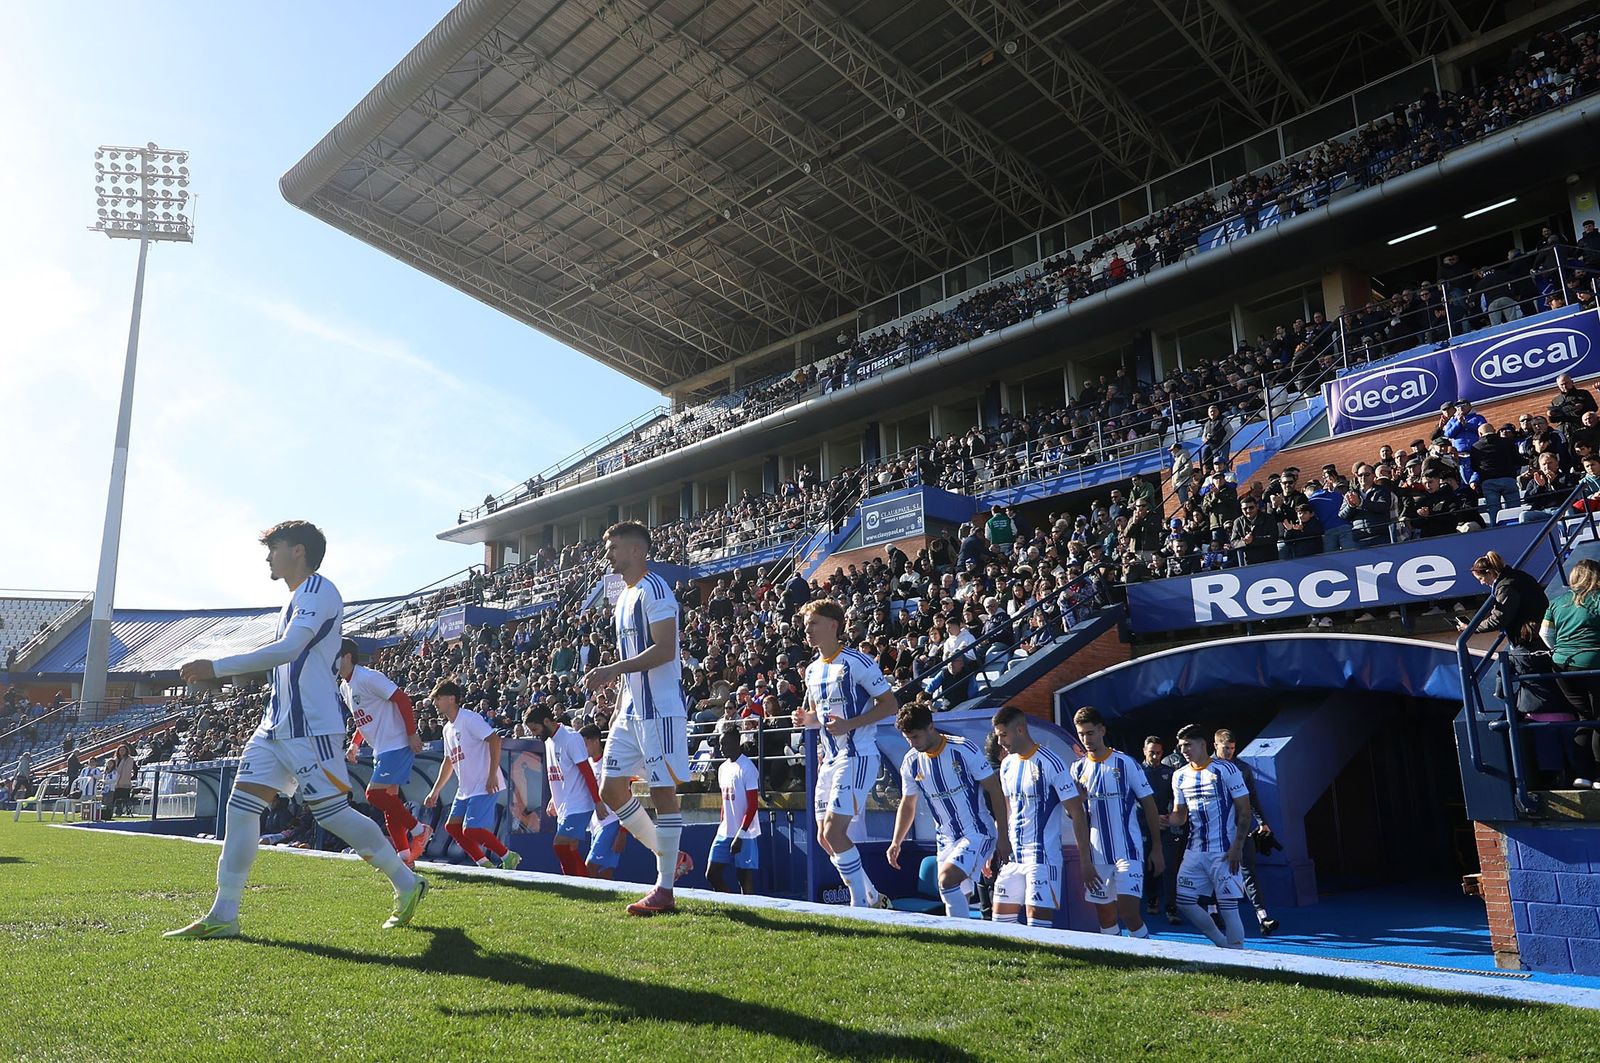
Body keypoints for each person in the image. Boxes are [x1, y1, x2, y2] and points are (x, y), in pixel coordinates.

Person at [168, 520, 426, 939]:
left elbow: (289, 650)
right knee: (240, 809)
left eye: (275, 548)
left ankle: (406, 881)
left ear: (299, 551)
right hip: (275, 726)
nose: (269, 556)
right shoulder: (293, 600)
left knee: (334, 816)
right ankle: (225, 912)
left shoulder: (319, 592)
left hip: (311, 728)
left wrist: (214, 666)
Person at [584, 521, 692, 916]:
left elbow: (664, 650)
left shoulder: (656, 589)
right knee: (610, 790)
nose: (608, 553)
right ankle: (671, 858)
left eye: (613, 547)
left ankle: (664, 890)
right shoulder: (623, 598)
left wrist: (612, 670)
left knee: (663, 793)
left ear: (635, 551)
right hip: (629, 711)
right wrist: (617, 703)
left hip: (659, 710)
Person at [794, 598, 899, 909]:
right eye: (805, 625)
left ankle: (859, 908)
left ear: (833, 625)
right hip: (831, 759)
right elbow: (819, 718)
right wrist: (806, 720)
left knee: (834, 831)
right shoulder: (811, 670)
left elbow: (890, 705)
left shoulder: (858, 662)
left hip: (858, 755)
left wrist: (851, 724)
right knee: (824, 839)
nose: (807, 630)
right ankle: (873, 897)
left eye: (812, 623)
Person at [887, 703, 1009, 919]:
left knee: (946, 879)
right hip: (945, 839)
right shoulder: (911, 762)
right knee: (953, 893)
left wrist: (1003, 838)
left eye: (915, 737)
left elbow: (995, 791)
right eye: (908, 739)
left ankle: (960, 938)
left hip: (977, 831)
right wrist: (896, 841)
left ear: (930, 727)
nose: (912, 743)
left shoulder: (963, 749)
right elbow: (908, 803)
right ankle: (964, 941)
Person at [989, 705, 1094, 928]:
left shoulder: (1051, 763)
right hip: (1013, 859)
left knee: (1037, 929)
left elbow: (1076, 812)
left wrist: (1085, 861)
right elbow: (1008, 809)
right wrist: (997, 843)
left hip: (1043, 859)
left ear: (1020, 730)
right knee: (999, 924)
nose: (1000, 743)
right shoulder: (1007, 765)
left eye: (1003, 735)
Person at [1069, 708, 1163, 938]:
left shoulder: (1125, 763)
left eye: (1090, 733)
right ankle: (1118, 963)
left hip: (1128, 850)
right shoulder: (1077, 769)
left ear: (1102, 730)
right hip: (1097, 854)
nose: (1086, 739)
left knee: (1129, 913)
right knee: (1106, 917)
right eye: (1081, 734)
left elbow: (1149, 805)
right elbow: (1075, 817)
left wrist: (1157, 849)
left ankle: (1150, 960)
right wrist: (1084, 861)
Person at [338, 638, 426, 865]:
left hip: (395, 743)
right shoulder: (344, 686)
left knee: (373, 795)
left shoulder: (368, 677)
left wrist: (411, 733)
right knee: (389, 803)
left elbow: (402, 699)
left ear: (347, 656)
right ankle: (405, 857)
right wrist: (355, 743)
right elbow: (362, 720)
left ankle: (419, 830)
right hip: (381, 748)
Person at [1167, 723, 1252, 949]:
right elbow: (1180, 816)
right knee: (1184, 902)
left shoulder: (1226, 770)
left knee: (1228, 907)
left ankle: (1237, 955)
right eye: (1181, 746)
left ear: (1203, 744)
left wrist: (1237, 847)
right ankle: (1222, 944)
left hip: (1224, 851)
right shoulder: (1179, 776)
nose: (1184, 750)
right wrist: (1161, 820)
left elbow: (1245, 810)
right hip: (1194, 851)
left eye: (1188, 745)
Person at [424, 679, 520, 872]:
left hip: (485, 783)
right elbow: (448, 761)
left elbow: (495, 740)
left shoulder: (470, 719)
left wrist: (492, 775)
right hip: (465, 788)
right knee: (452, 827)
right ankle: (484, 864)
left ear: (452, 699)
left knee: (471, 829)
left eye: (438, 698)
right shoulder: (447, 728)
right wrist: (434, 792)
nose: (435, 703)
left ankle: (508, 856)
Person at [1540, 559, 1600, 788]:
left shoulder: (1557, 602)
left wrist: (1562, 650)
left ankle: (1582, 775)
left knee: (1585, 718)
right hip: (1594, 664)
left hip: (1562, 668)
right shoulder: (1598, 599)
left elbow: (1545, 634)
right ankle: (1598, 776)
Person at [1213, 729, 1278, 934]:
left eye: (1232, 748)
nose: (1230, 752)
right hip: (1215, 832)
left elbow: (1252, 798)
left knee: (1248, 870)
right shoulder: (1206, 768)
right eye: (1226, 748)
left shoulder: (1243, 768)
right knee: (1214, 871)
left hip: (1242, 828)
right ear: (1215, 745)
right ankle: (1212, 911)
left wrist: (1262, 822)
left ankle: (1263, 917)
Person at [526, 703, 600, 877]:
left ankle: (571, 882)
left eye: (535, 729)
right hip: (564, 806)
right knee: (571, 847)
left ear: (546, 721)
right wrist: (554, 798)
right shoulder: (549, 741)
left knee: (560, 844)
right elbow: (559, 774)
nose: (534, 734)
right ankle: (583, 883)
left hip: (579, 803)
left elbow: (587, 772)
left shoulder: (571, 738)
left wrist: (598, 801)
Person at [707, 725, 761, 894]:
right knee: (712, 874)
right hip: (725, 831)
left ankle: (750, 911)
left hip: (745, 833)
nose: (722, 748)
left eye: (725, 744)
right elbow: (725, 801)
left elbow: (753, 805)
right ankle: (730, 903)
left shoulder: (747, 768)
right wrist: (722, 822)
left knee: (744, 877)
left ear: (737, 744)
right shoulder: (722, 768)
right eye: (721, 744)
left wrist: (741, 834)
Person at [1140, 736, 1182, 924]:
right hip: (1144, 825)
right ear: (1144, 751)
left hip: (1165, 824)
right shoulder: (1137, 772)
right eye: (1152, 753)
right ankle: (1152, 897)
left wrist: (1170, 817)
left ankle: (1171, 907)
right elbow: (1132, 802)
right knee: (1149, 864)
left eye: (1158, 753)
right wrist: (1151, 818)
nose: (1155, 756)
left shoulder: (1169, 772)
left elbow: (1177, 798)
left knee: (1168, 865)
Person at [579, 725, 630, 878]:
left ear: (595, 742)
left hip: (611, 822)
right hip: (595, 825)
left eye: (584, 744)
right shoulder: (586, 764)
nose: (582, 749)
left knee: (589, 869)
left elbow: (627, 797)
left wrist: (622, 833)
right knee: (606, 873)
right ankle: (604, 901)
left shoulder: (611, 763)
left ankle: (587, 900)